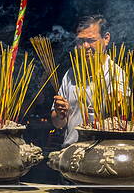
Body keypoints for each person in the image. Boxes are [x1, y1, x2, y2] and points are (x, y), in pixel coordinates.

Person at [51, 15, 125, 147]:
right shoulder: (71, 74)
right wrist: (60, 114)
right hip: (70, 152)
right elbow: (58, 124)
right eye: (80, 41)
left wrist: (117, 103)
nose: (85, 46)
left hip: (102, 155)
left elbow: (122, 112)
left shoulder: (116, 74)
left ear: (106, 38)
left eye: (91, 40)